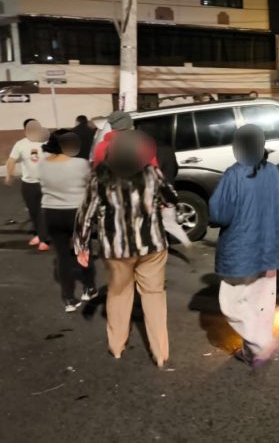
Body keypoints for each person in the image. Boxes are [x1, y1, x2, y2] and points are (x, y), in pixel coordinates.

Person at [74, 131, 177, 368]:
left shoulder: (100, 178)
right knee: (154, 295)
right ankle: (160, 352)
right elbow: (171, 198)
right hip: (152, 246)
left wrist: (82, 246)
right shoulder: (152, 173)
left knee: (119, 294)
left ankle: (117, 346)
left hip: (116, 249)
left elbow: (85, 215)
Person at [209, 125, 279, 368]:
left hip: (241, 250)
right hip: (269, 247)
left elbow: (219, 214)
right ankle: (254, 352)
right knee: (260, 304)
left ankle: (262, 343)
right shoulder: (274, 172)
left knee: (232, 305)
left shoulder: (234, 174)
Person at [40, 130, 96, 312]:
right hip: (76, 212)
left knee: (62, 256)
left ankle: (69, 299)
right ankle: (89, 288)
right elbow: (91, 184)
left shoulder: (43, 164)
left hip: (51, 212)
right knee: (84, 250)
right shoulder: (80, 164)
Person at [5, 119, 50, 251]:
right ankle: (38, 234)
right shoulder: (20, 144)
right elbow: (11, 161)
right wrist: (9, 175)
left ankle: (44, 240)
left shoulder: (46, 142)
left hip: (45, 183)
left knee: (42, 212)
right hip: (28, 184)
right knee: (33, 211)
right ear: (25, 131)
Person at [93, 110, 159, 168]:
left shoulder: (101, 147)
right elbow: (153, 170)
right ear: (130, 127)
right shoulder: (140, 146)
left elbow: (97, 171)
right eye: (132, 125)